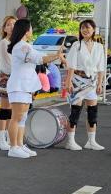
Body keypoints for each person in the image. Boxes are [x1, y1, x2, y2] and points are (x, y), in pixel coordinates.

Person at [5, 18, 66, 158]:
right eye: (31, 28)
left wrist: (55, 55)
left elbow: (40, 57)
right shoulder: (22, 46)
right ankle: (13, 147)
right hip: (19, 86)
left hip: (24, 86)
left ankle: (19, 144)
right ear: (26, 30)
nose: (32, 30)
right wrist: (57, 55)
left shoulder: (25, 45)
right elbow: (39, 59)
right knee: (17, 117)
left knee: (22, 117)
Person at [61, 19, 106, 151]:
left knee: (93, 113)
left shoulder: (99, 47)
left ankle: (91, 141)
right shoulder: (77, 45)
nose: (85, 30)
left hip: (91, 83)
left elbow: (101, 67)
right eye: (82, 28)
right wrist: (68, 82)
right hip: (77, 81)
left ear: (93, 29)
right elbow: (71, 66)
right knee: (75, 112)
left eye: (88, 27)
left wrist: (100, 83)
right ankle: (70, 141)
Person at [0, 15, 16, 150]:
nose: (11, 26)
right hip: (6, 78)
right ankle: (1, 140)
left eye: (14, 24)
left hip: (15, 79)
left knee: (12, 111)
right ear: (4, 28)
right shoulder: (4, 43)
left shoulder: (17, 43)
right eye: (8, 24)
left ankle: (8, 137)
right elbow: (8, 63)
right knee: (4, 109)